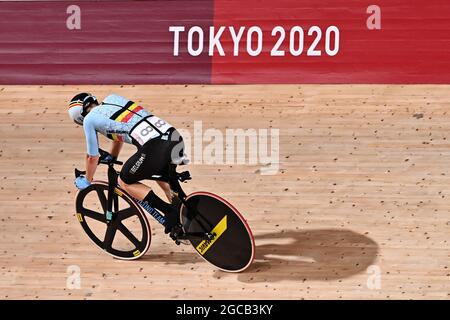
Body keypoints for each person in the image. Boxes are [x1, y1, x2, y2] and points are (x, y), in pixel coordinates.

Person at [68, 92, 185, 234]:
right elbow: (118, 135)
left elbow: (92, 157)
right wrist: (112, 156)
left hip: (156, 146)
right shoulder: (112, 99)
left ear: (79, 118)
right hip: (173, 136)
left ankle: (169, 212)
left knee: (124, 180)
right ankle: (186, 216)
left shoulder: (89, 120)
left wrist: (87, 179)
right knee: (162, 177)